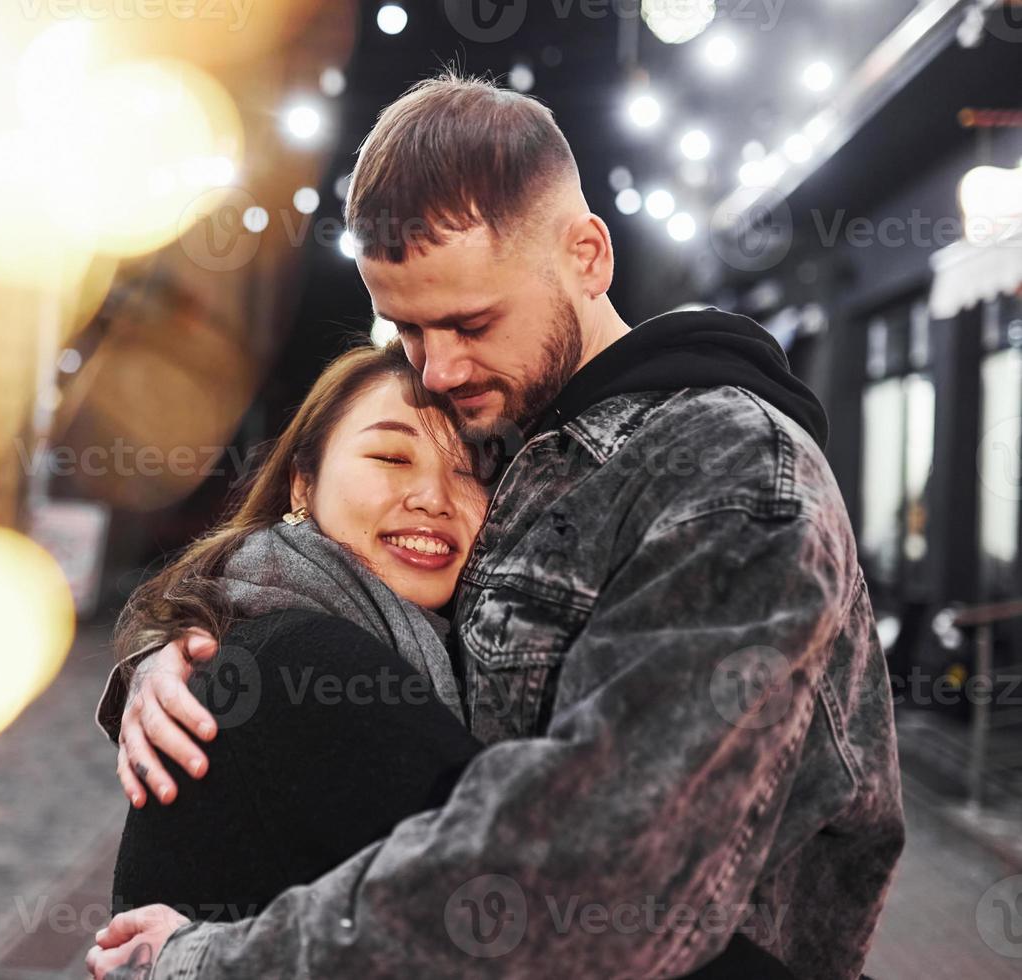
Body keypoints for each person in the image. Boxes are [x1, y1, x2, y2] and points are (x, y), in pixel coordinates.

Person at [89, 72, 904, 979]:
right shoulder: (516, 440)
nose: (436, 369)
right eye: (406, 330)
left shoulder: (729, 471)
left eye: (469, 321)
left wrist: (214, 962)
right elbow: (371, 629)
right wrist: (182, 651)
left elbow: (596, 879)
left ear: (587, 256)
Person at [107, 342, 793, 980]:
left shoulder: (303, 635)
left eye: (470, 471)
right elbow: (557, 896)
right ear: (300, 485)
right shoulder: (304, 661)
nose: (434, 498)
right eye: (390, 458)